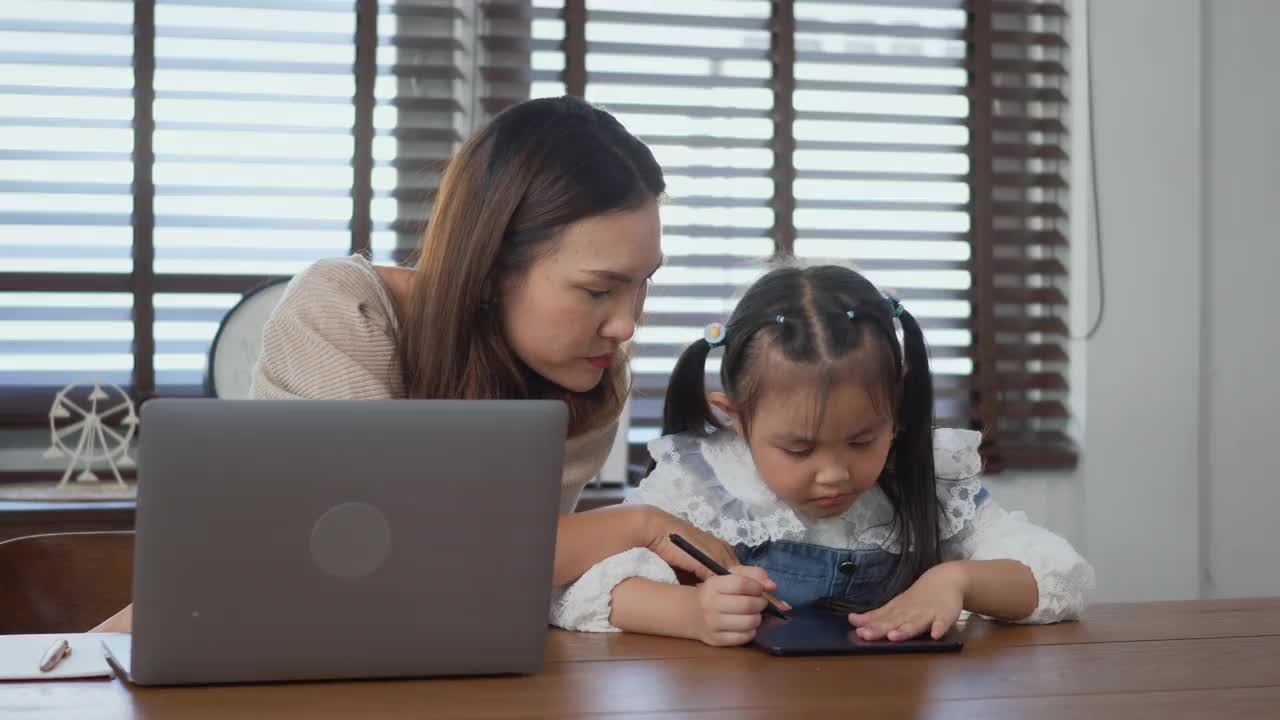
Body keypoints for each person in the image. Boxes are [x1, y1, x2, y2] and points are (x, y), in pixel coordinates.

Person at [90, 96, 766, 633]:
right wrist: (638, 523)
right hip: (211, 646)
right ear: (494, 266)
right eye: (598, 289)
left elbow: (503, 580)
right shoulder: (339, 309)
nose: (625, 324)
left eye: (643, 284)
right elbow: (384, 557)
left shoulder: (588, 377)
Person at [550, 264, 1094, 647]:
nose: (834, 473)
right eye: (799, 448)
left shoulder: (931, 479)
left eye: (862, 441)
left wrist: (957, 581)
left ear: (896, 408)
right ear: (735, 418)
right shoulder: (703, 485)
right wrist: (691, 613)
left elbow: (1059, 576)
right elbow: (567, 591)